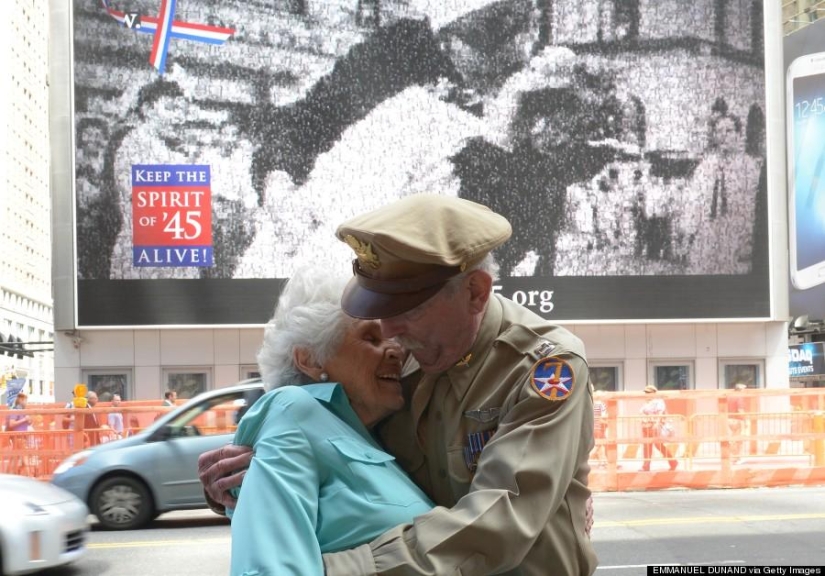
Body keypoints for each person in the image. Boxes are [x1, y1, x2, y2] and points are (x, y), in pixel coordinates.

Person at [200, 193, 597, 575]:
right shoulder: (406, 361)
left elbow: (501, 520)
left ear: (475, 293)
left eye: (409, 309)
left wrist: (336, 571)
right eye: (380, 313)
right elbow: (347, 459)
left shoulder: (544, 367)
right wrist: (257, 479)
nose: (390, 333)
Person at [228, 269, 433, 575]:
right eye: (371, 337)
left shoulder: (371, 431)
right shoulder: (292, 412)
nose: (396, 350)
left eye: (392, 338)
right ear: (310, 360)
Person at [639, 385, 677, 471]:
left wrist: (656, 423)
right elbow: (642, 412)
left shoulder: (659, 401)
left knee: (658, 445)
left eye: (648, 392)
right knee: (647, 446)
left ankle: (673, 461)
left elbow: (660, 413)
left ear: (654, 393)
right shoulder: (646, 402)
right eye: (646, 392)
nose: (646, 394)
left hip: (655, 426)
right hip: (646, 426)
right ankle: (646, 466)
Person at [726, 383, 748, 463]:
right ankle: (738, 458)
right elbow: (740, 410)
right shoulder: (739, 397)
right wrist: (745, 420)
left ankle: (733, 457)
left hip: (728, 420)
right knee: (739, 440)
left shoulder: (729, 397)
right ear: (741, 390)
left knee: (732, 440)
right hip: (737, 420)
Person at [592, 393, 609, 467]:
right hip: (600, 427)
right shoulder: (601, 405)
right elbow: (603, 415)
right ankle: (590, 456)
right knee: (602, 444)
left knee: (600, 444)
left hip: (593, 427)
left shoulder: (592, 404)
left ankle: (602, 462)